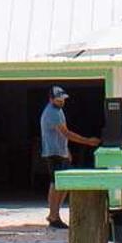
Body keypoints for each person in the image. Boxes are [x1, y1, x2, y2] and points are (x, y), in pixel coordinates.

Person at [39, 86, 99, 230]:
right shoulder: (52, 113)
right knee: (56, 184)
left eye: (63, 100)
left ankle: (55, 214)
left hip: (61, 152)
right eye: (58, 100)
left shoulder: (58, 110)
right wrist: (88, 141)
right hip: (54, 153)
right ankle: (53, 215)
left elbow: (61, 136)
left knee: (64, 184)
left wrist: (67, 151)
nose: (61, 102)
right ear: (51, 99)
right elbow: (66, 133)